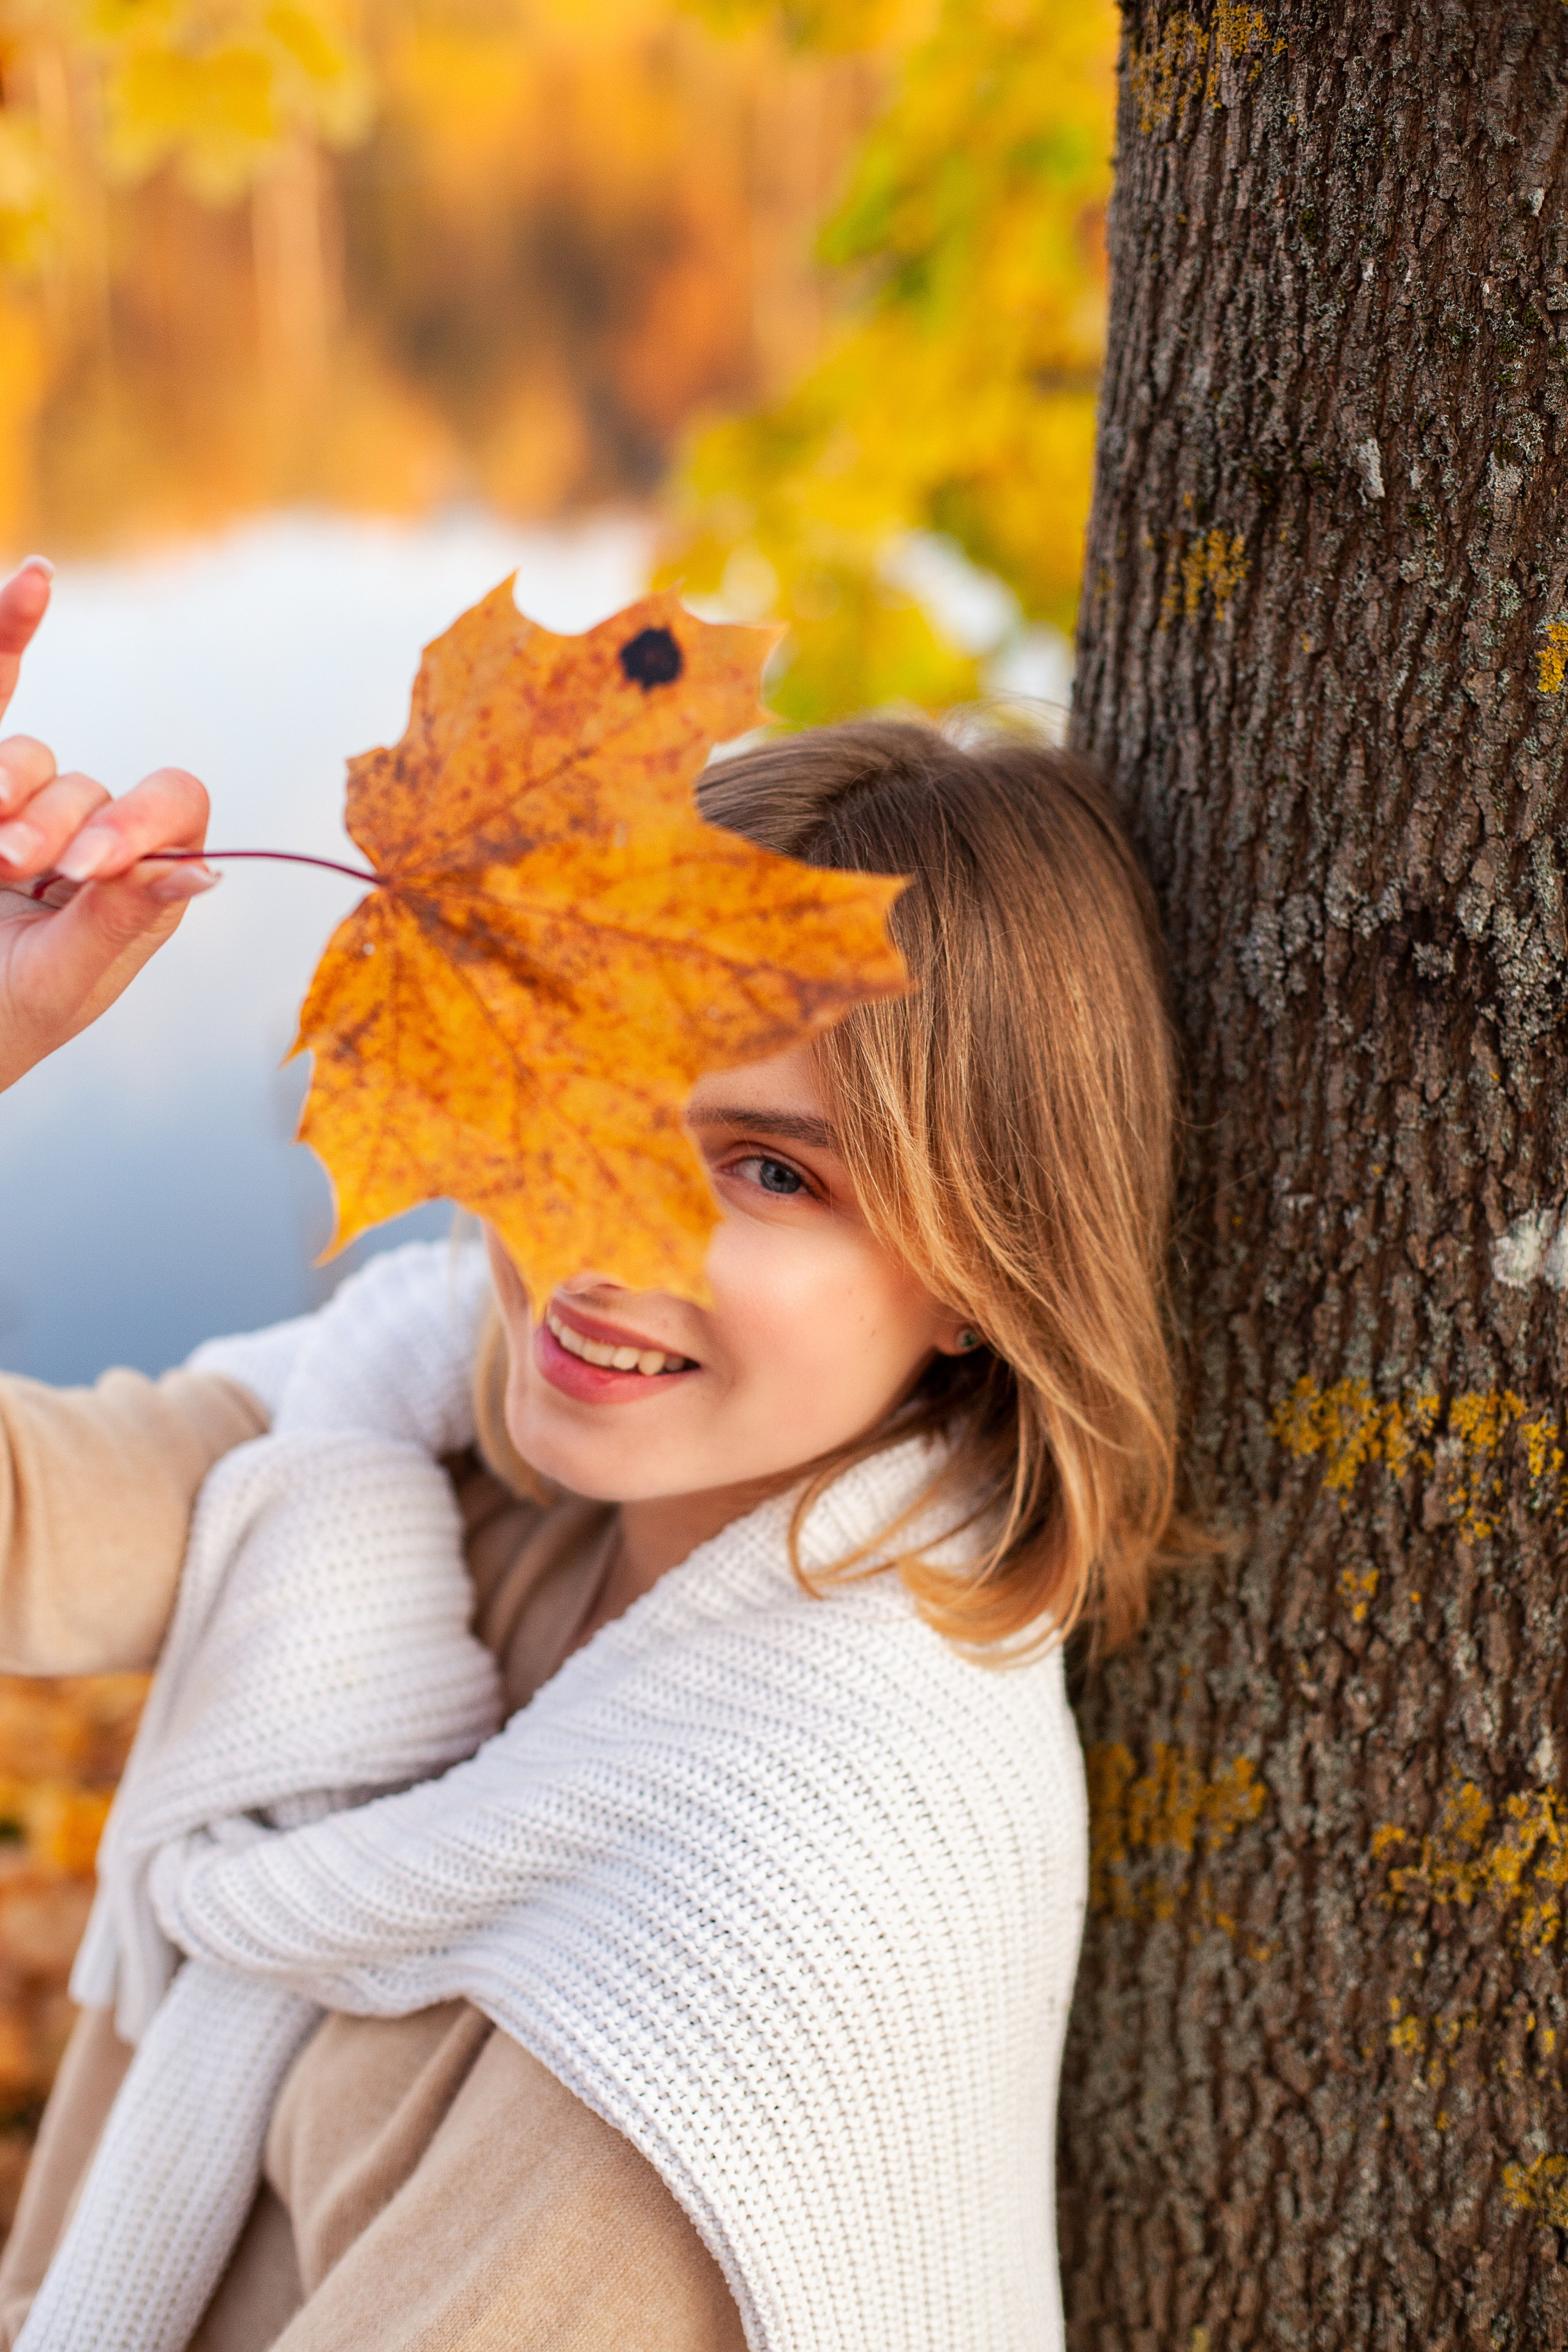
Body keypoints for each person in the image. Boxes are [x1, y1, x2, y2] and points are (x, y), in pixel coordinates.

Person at [0, 552, 1182, 2351]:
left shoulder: (764, 1922)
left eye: (774, 1171)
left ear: (983, 1271)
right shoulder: (407, 1427)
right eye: (601, 1096)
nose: (610, 1230)